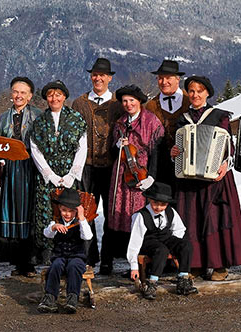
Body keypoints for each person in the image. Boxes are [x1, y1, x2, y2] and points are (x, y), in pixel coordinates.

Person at [171, 76, 241, 280]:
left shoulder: (219, 116)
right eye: (192, 91)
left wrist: (225, 165)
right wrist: (175, 153)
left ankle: (219, 265)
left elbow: (229, 147)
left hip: (215, 177)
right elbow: (178, 147)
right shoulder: (182, 119)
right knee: (192, 220)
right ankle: (195, 264)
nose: (195, 95)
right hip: (189, 178)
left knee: (214, 218)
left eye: (199, 91)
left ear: (207, 94)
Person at [71, 58, 125, 273]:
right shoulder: (79, 103)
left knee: (112, 212)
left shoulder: (118, 104)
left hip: (112, 166)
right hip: (87, 166)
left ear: (109, 78)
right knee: (87, 212)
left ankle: (108, 258)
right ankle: (89, 256)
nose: (98, 78)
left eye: (102, 75)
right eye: (95, 74)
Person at [106, 85, 164, 269]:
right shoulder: (120, 122)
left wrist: (152, 176)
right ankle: (126, 254)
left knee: (140, 212)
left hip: (142, 171)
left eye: (132, 100)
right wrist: (118, 145)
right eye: (124, 101)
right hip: (123, 172)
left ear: (139, 101)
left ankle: (144, 256)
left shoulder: (151, 121)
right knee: (121, 211)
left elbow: (156, 151)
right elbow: (113, 151)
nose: (128, 104)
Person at [30, 81, 87, 252]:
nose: (54, 98)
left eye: (58, 95)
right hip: (48, 174)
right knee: (48, 212)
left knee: (71, 212)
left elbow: (82, 148)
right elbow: (36, 150)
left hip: (69, 172)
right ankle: (48, 253)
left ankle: (73, 250)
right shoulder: (40, 121)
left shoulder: (76, 119)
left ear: (64, 97)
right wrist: (51, 175)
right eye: (50, 95)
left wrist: (71, 175)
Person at [0, 76, 42, 277]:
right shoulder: (3, 117)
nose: (19, 95)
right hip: (10, 168)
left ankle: (30, 262)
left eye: (23, 92)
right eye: (16, 91)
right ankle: (16, 262)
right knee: (12, 210)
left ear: (30, 96)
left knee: (29, 211)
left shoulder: (38, 115)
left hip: (30, 167)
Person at [127, 182, 197, 300]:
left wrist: (174, 243)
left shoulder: (171, 212)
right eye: (155, 203)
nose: (158, 207)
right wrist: (133, 266)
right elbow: (135, 241)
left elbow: (180, 228)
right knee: (161, 250)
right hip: (148, 242)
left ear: (167, 203)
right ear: (149, 199)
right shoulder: (141, 216)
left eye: (163, 204)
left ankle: (183, 279)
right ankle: (152, 283)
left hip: (165, 238)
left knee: (186, 245)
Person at [38, 188, 92, 314]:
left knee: (74, 267)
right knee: (55, 266)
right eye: (64, 210)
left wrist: (82, 217)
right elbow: (47, 234)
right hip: (60, 255)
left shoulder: (81, 222)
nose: (67, 214)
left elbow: (87, 237)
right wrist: (54, 227)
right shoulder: (56, 221)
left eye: (71, 211)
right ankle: (50, 297)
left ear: (76, 211)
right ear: (59, 209)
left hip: (77, 256)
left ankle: (72, 297)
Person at [144, 60, 191, 188]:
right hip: (161, 167)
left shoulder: (190, 102)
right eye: (160, 78)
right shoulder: (151, 106)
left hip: (189, 166)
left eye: (168, 78)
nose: (164, 82)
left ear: (178, 79)